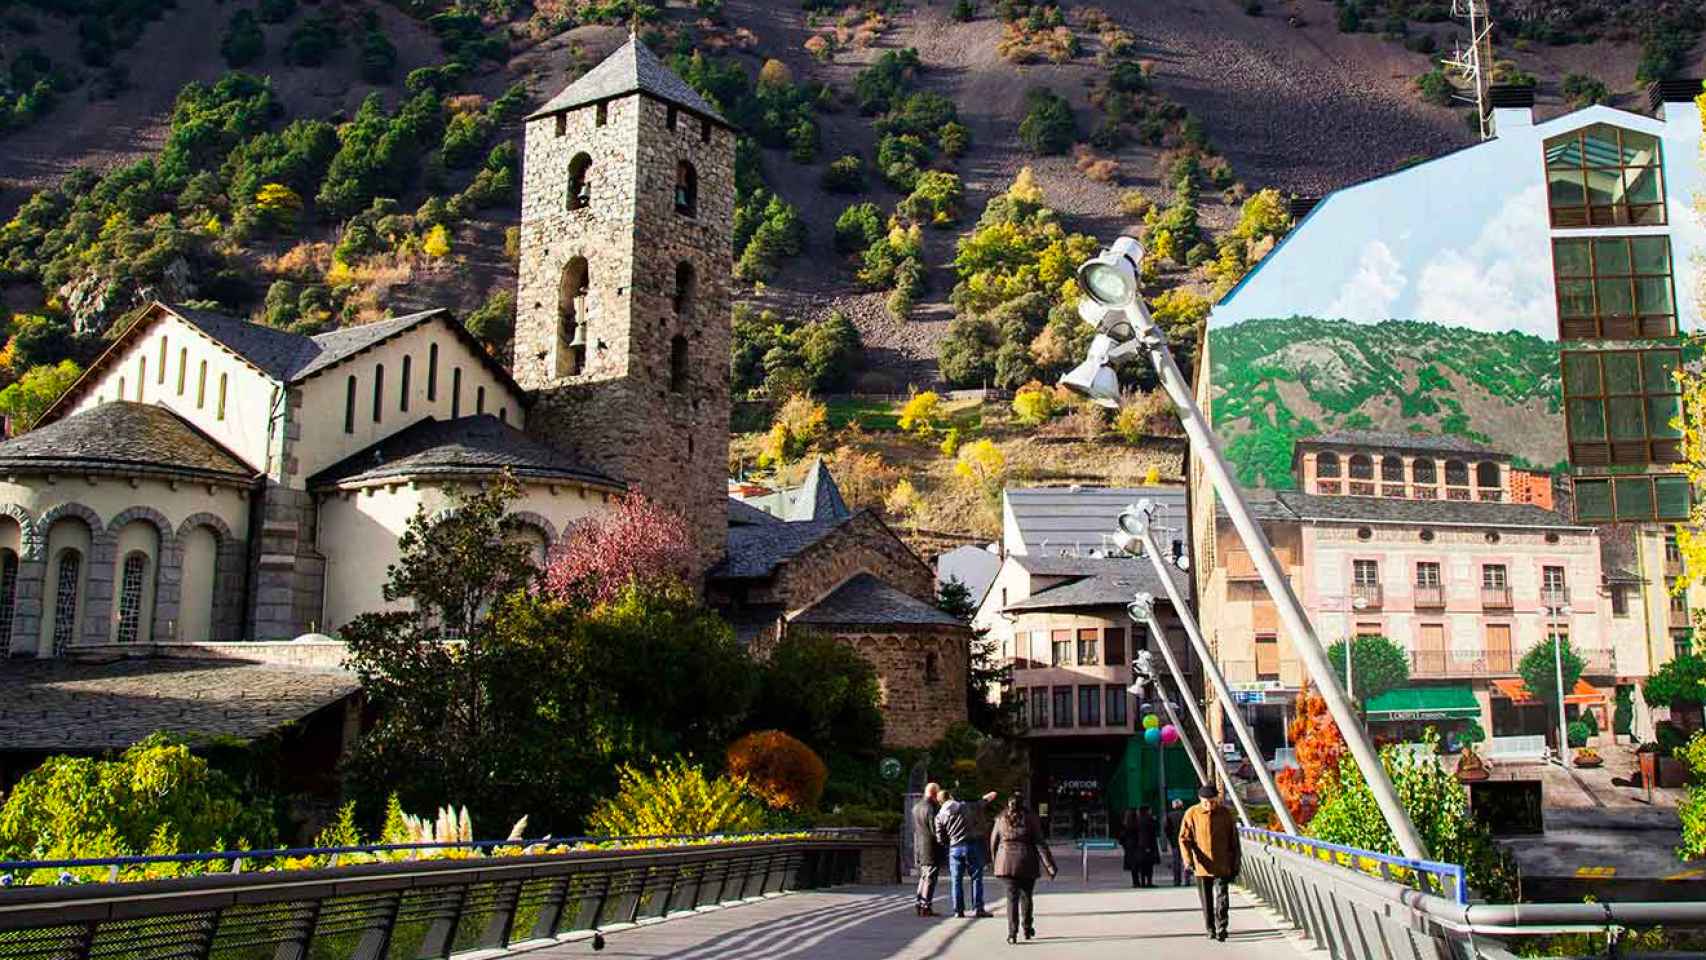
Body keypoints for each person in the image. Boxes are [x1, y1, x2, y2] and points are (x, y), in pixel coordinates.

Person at [989, 793, 1056, 945]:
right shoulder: (1031, 818)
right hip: (1027, 862)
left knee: (1011, 899)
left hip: (1005, 863)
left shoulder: (1000, 819)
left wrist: (995, 861)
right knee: (1026, 896)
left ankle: (1012, 933)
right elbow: (1040, 843)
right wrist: (1050, 866)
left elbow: (993, 842)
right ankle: (1027, 928)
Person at [1178, 784, 1242, 941]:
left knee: (1222, 897)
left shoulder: (1225, 814)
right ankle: (1210, 928)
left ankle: (1222, 926)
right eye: (1206, 802)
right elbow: (1184, 839)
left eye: (1213, 802)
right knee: (1206, 900)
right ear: (1200, 800)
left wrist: (1236, 863)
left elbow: (1234, 841)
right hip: (1201, 865)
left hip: (1222, 863)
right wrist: (1188, 860)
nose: (1210, 805)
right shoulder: (1192, 813)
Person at [935, 789, 998, 918]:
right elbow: (981, 803)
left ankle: (958, 910)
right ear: (951, 797)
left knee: (956, 880)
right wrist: (987, 797)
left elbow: (940, 838)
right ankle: (978, 908)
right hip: (972, 845)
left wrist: (950, 842)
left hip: (954, 848)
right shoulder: (965, 807)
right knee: (976, 877)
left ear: (940, 802)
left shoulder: (939, 816)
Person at [911, 782, 945, 916]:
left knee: (924, 876)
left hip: (921, 845)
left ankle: (919, 902)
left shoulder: (916, 807)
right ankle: (926, 906)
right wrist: (943, 840)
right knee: (930, 877)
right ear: (934, 794)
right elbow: (934, 828)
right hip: (931, 847)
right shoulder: (931, 808)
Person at [1133, 806, 1161, 887]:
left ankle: (1143, 882)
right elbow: (1149, 833)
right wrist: (1147, 846)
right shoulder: (1148, 820)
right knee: (1149, 865)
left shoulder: (1138, 820)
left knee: (1142, 865)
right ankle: (1148, 882)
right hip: (1148, 845)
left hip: (1141, 846)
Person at [1164, 799, 1187, 887]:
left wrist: (1169, 837)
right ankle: (1187, 879)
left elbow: (1166, 828)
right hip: (1185, 840)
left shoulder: (1169, 816)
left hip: (1174, 841)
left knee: (1176, 861)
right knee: (1186, 860)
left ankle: (1177, 881)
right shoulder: (1185, 814)